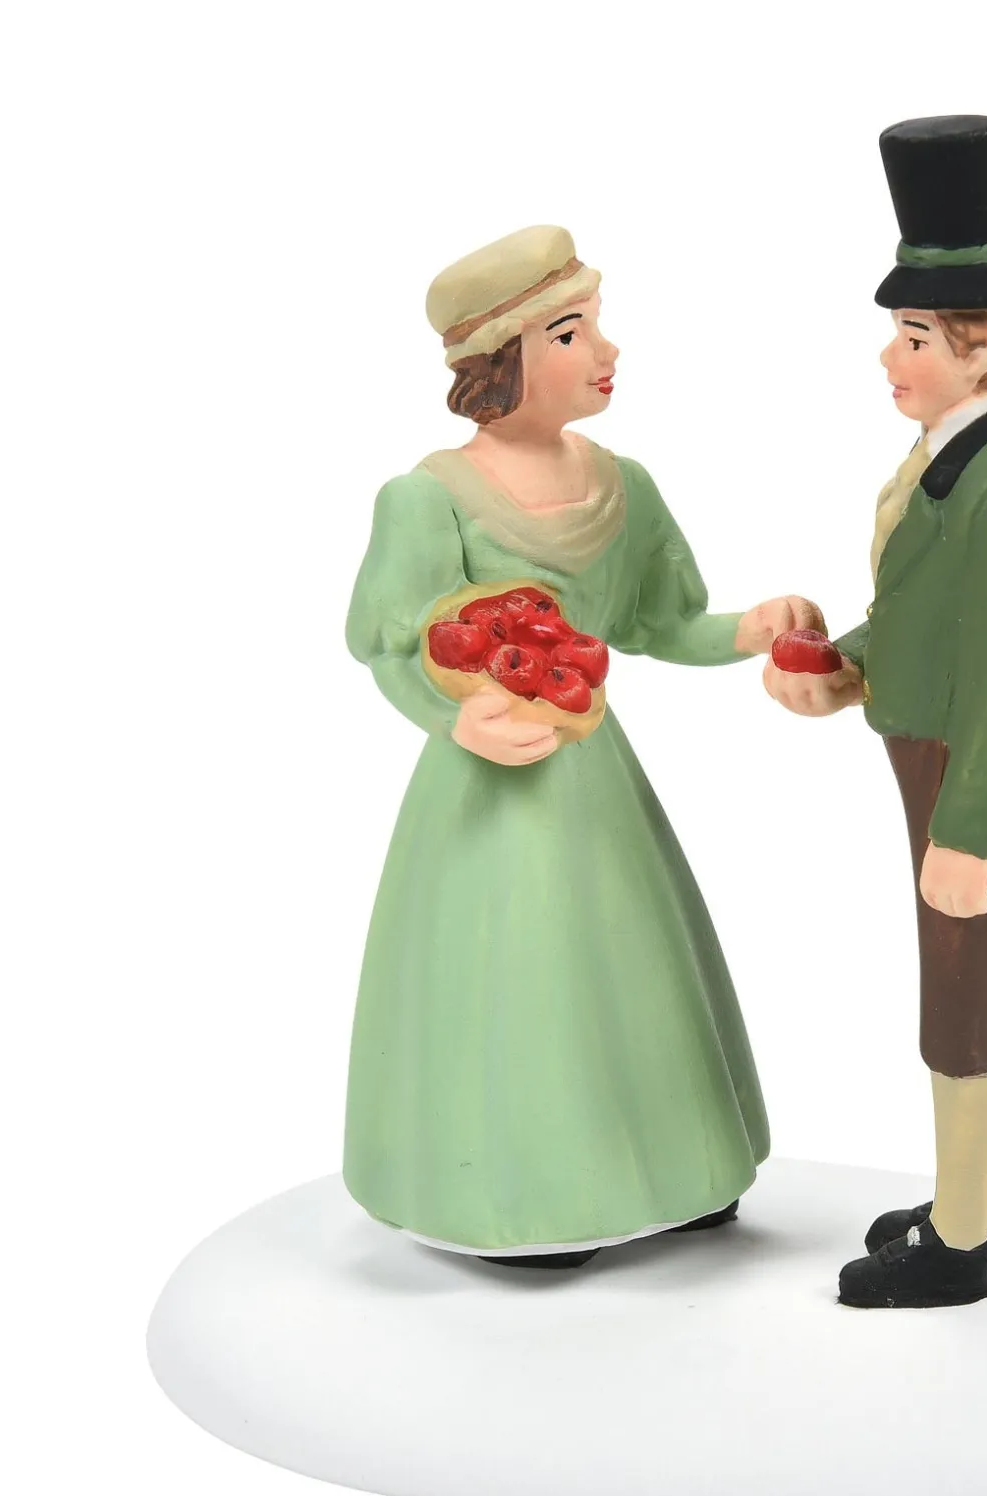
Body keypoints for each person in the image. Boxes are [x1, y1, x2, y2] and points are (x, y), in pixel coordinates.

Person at [345, 225, 818, 1266]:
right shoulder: (427, 498)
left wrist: (744, 630)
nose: (605, 350)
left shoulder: (622, 485)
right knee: (517, 973)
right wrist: (453, 715)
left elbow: (655, 623)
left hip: (594, 774)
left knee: (633, 965)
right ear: (500, 362)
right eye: (570, 333)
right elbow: (392, 645)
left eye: (595, 325)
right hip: (490, 784)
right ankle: (525, 1198)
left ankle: (679, 1169)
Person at [763, 117, 987, 1308]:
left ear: (982, 349)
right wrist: (848, 665)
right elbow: (926, 615)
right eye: (899, 331)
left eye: (917, 336)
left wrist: (966, 834)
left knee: (964, 993)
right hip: (935, 745)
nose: (891, 355)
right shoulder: (953, 453)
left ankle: (959, 1241)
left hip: (966, 763)